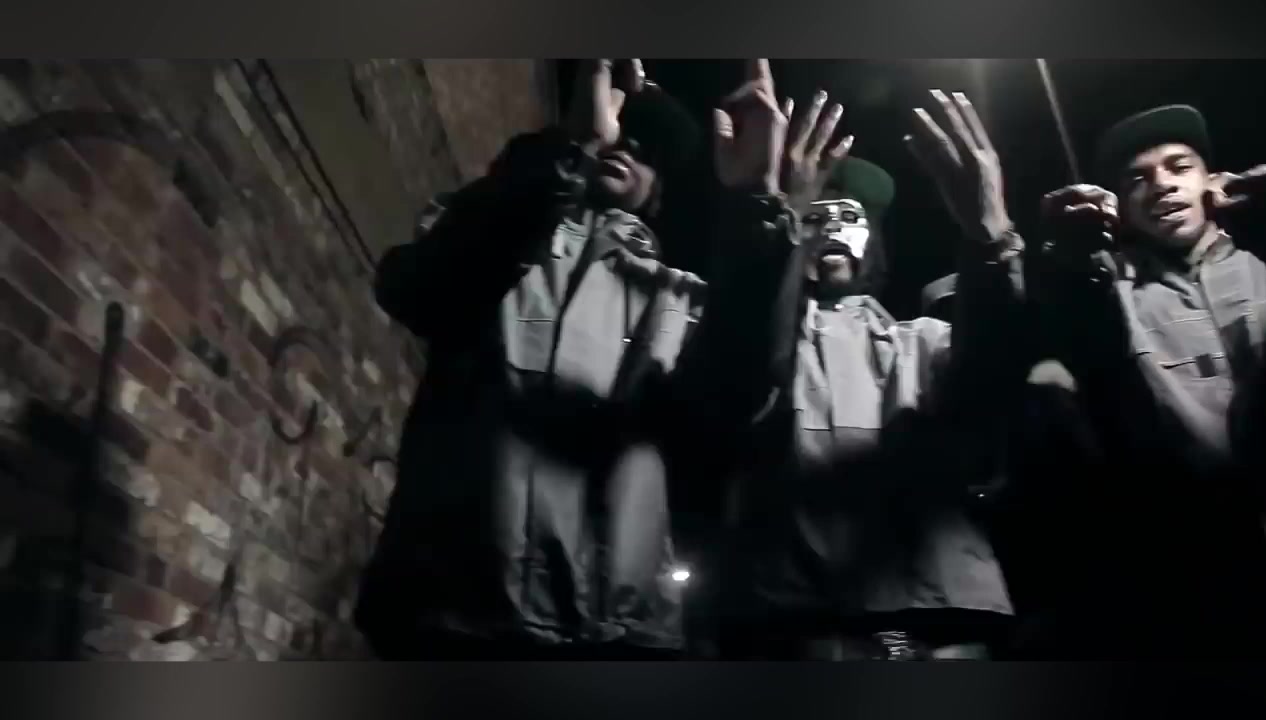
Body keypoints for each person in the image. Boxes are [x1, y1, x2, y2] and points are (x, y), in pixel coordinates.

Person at [354, 58, 803, 660]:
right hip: (444, 610)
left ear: (659, 188)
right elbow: (417, 290)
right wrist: (569, 147)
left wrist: (756, 203)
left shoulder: (679, 300)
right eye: (622, 130)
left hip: (612, 633)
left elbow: (736, 398)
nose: (628, 146)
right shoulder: (497, 229)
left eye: (647, 148)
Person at [705, 85, 1027, 660]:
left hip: (934, 608)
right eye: (816, 216)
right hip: (793, 612)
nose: (832, 227)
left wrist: (990, 243)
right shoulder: (757, 335)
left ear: (872, 241)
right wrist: (770, 220)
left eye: (849, 216)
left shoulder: (922, 341)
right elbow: (740, 365)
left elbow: (990, 383)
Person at [1037, 104, 1266, 657]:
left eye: (1179, 166)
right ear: (1118, 206)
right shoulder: (1109, 289)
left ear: (1214, 181)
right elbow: (1062, 326)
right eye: (1137, 179)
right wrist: (1065, 254)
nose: (1162, 185)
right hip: (1196, 567)